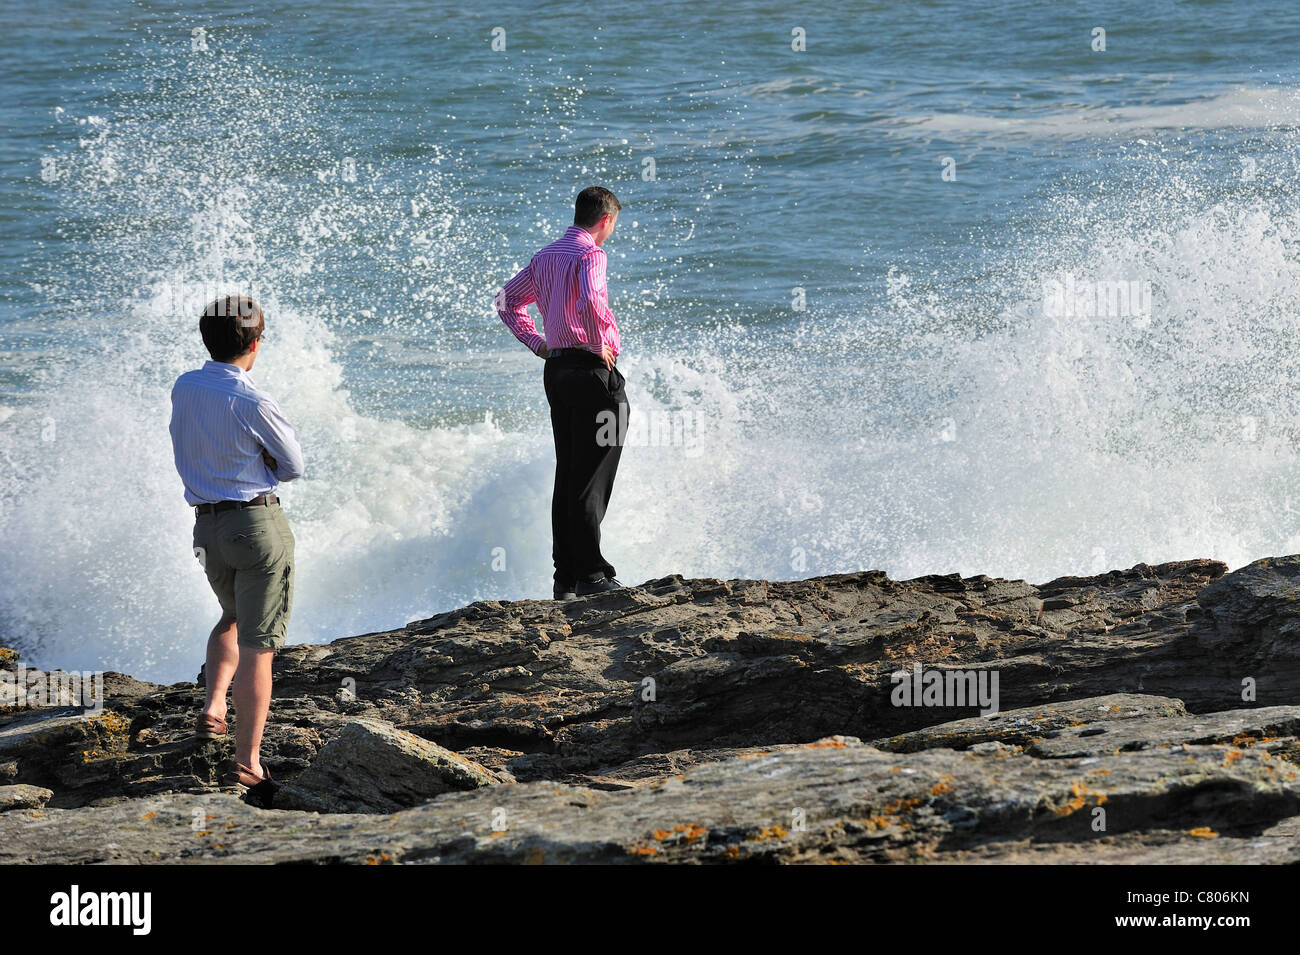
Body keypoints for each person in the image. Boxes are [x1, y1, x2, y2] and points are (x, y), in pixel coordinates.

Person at [169, 295, 304, 799]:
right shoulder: (253, 399)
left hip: (205, 530)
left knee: (230, 615)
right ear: (256, 342)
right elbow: (292, 465)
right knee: (259, 647)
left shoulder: (185, 386)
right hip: (254, 526)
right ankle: (248, 764)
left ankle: (212, 709)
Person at [496, 186, 630, 599]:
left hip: (557, 371)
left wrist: (538, 343)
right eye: (613, 226)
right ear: (605, 220)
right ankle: (592, 575)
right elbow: (591, 299)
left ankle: (566, 577)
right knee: (592, 474)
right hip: (591, 372)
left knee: (570, 472)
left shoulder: (545, 256)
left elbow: (505, 300)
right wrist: (597, 343)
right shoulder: (592, 254)